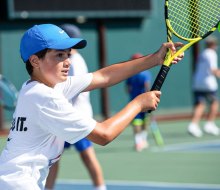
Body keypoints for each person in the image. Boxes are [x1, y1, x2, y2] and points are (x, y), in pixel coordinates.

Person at [0, 23, 184, 190]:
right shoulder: (45, 96)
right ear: (35, 61)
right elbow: (104, 135)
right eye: (59, 55)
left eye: (68, 54)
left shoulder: (37, 87)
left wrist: (155, 58)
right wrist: (138, 103)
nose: (67, 61)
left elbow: (104, 76)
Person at [45, 24, 107, 190]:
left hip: (76, 117)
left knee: (87, 155)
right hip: (66, 117)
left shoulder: (74, 62)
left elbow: (72, 89)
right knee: (53, 158)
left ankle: (100, 187)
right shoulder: (70, 60)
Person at [188, 36, 220, 138]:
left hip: (198, 83)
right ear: (213, 45)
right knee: (214, 103)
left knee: (200, 104)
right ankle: (209, 124)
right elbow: (213, 70)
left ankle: (193, 125)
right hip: (208, 84)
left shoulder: (203, 53)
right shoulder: (211, 54)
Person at [126, 53, 152, 152]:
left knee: (137, 122)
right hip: (145, 102)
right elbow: (147, 87)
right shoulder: (146, 73)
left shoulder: (129, 74)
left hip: (133, 102)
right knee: (145, 121)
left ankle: (138, 142)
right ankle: (143, 141)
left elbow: (127, 89)